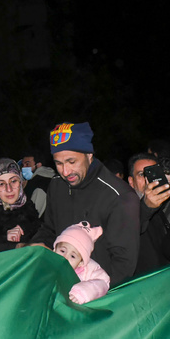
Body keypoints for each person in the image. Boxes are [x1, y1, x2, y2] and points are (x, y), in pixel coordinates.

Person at [31, 122, 140, 286]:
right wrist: (37, 244)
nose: (65, 172)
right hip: (59, 284)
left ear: (89, 155)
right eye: (58, 164)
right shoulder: (56, 185)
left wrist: (93, 294)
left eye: (71, 161)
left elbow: (123, 267)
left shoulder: (119, 196)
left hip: (97, 296)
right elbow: (50, 229)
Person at [126, 153, 170, 276]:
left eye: (152, 173)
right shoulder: (121, 207)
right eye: (142, 175)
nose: (148, 181)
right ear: (131, 182)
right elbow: (129, 230)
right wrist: (147, 207)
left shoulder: (165, 207)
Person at [53, 221, 110, 305]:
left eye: (72, 256)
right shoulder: (47, 263)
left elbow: (103, 283)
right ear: (54, 250)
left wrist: (82, 292)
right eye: (62, 251)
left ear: (81, 262)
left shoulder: (90, 271)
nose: (65, 257)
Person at [20, 148, 57, 217]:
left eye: (27, 164)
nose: (23, 168)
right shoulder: (52, 178)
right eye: (23, 165)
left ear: (38, 165)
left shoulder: (39, 184)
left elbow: (31, 216)